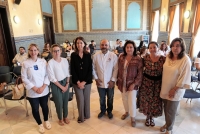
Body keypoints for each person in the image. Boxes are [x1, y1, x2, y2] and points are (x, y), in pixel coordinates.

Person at [160, 38, 191, 134]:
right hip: (165, 87)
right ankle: (167, 124)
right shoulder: (168, 56)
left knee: (171, 110)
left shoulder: (185, 60)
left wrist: (174, 89)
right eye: (173, 45)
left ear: (182, 47)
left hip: (176, 90)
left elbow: (184, 77)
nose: (175, 48)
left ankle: (169, 129)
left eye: (177, 46)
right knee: (166, 109)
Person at [21, 43, 51, 133]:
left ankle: (46, 120)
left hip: (43, 90)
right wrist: (34, 88)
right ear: (29, 51)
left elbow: (47, 75)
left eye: (35, 50)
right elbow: (24, 78)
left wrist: (43, 87)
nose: (33, 52)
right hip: (32, 92)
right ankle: (40, 124)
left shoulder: (43, 61)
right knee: (35, 109)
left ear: (38, 51)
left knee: (45, 107)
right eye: (31, 50)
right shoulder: (25, 63)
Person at [137, 41, 166, 127]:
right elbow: (140, 69)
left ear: (158, 48)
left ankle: (152, 117)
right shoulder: (145, 58)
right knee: (146, 101)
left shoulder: (163, 59)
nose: (153, 49)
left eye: (154, 47)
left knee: (155, 101)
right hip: (146, 82)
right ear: (148, 49)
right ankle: (147, 117)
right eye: (151, 47)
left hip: (157, 83)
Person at [117, 40, 143, 127]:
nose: (129, 49)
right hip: (122, 82)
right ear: (125, 48)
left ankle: (133, 117)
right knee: (124, 99)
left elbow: (140, 73)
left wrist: (134, 84)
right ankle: (127, 112)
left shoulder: (138, 58)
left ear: (134, 48)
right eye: (127, 47)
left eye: (131, 47)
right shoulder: (121, 57)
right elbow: (118, 69)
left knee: (131, 101)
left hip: (132, 84)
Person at [93, 39, 118, 119]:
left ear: (109, 46)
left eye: (106, 45)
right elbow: (93, 68)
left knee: (110, 97)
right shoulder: (95, 56)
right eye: (102, 45)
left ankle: (109, 111)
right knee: (102, 98)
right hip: (100, 82)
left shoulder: (113, 56)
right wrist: (96, 79)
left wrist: (113, 80)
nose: (104, 46)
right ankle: (103, 110)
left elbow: (116, 69)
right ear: (100, 46)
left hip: (110, 81)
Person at [70, 36, 93, 123]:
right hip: (77, 82)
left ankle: (87, 115)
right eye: (77, 43)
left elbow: (90, 70)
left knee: (86, 99)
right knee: (80, 100)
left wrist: (84, 82)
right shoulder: (73, 55)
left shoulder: (88, 55)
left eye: (81, 42)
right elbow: (73, 70)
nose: (79, 44)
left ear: (84, 44)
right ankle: (81, 117)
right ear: (75, 44)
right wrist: (78, 82)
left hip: (87, 82)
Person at [47, 44, 70, 126]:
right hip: (56, 84)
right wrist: (62, 87)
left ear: (60, 51)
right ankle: (60, 118)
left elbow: (68, 73)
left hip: (65, 82)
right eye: (54, 51)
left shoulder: (65, 60)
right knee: (59, 102)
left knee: (65, 101)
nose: (56, 52)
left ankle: (65, 116)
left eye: (58, 51)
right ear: (52, 52)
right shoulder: (50, 63)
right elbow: (52, 78)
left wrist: (67, 84)